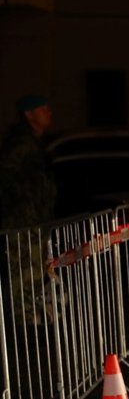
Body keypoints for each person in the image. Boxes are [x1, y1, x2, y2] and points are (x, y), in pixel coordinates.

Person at [0, 93, 57, 326]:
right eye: (42, 109)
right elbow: (6, 177)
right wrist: (23, 202)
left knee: (34, 271)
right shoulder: (20, 143)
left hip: (35, 220)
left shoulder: (34, 142)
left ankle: (32, 318)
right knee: (23, 272)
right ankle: (25, 322)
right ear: (28, 114)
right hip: (22, 222)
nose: (49, 113)